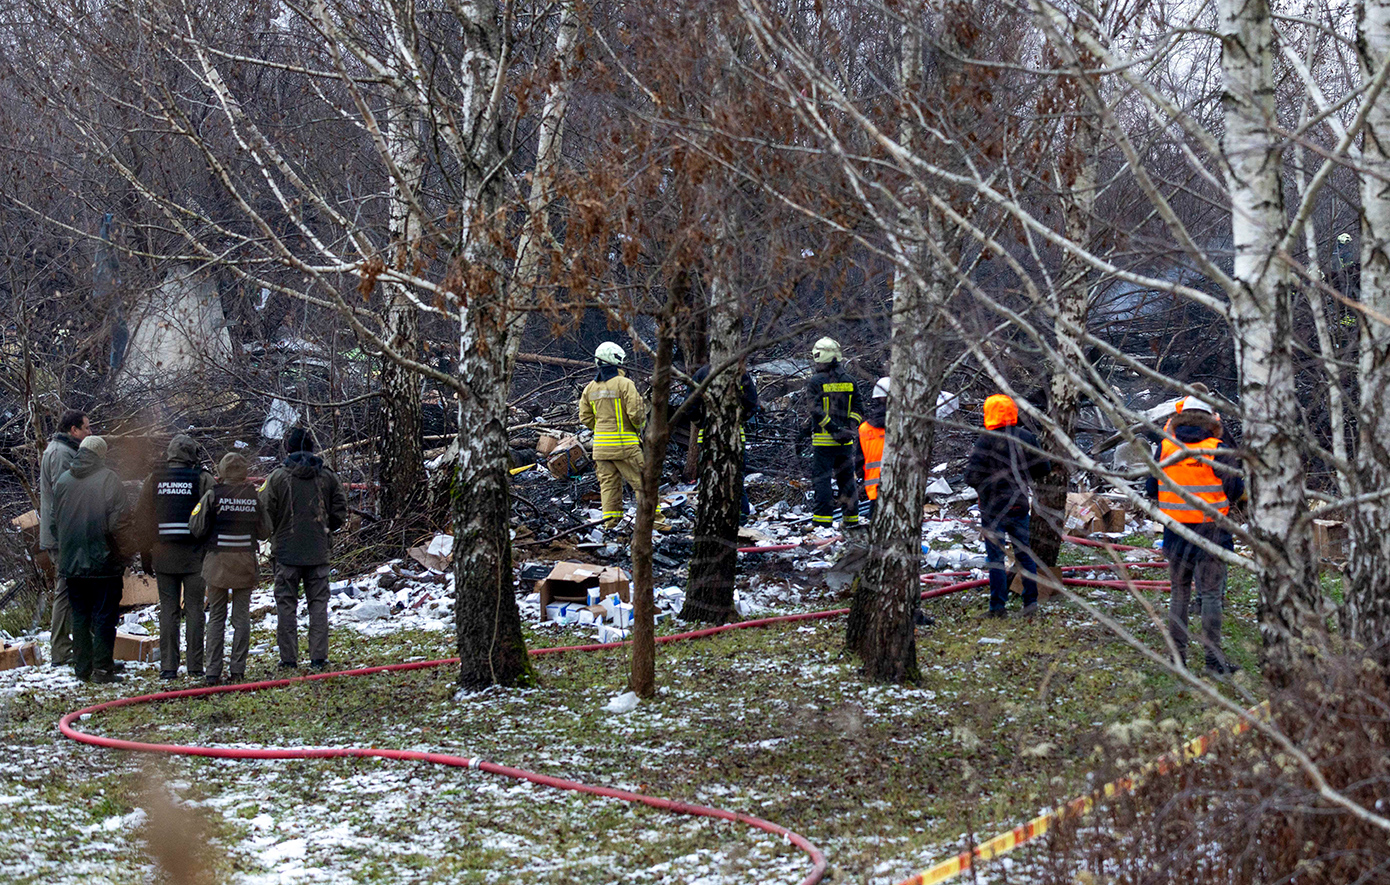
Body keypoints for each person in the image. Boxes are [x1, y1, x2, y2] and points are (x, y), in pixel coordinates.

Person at [1144, 396, 1244, 674]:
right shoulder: (1218, 449)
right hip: (1212, 534)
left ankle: (1178, 660)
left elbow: (1151, 487)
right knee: (1210, 596)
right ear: (1210, 419)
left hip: (1175, 533)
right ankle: (1213, 662)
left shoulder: (1165, 447)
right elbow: (1235, 491)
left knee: (1179, 594)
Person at [258, 427, 347, 670]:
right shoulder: (327, 476)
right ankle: (319, 657)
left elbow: (265, 515)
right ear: (312, 448)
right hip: (318, 553)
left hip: (286, 553)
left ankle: (289, 660)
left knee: (286, 606)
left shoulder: (276, 478)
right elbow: (340, 511)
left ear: (287, 449)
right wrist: (324, 529)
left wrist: (276, 532)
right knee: (318, 604)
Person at [48, 435, 130, 683]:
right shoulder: (109, 479)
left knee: (80, 615)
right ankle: (103, 669)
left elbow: (53, 524)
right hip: (104, 562)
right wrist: (123, 552)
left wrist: (69, 548)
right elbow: (120, 523)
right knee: (105, 615)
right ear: (101, 455)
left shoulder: (63, 481)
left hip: (71, 563)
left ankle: (82, 668)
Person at [134, 435, 214, 680]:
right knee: (194, 610)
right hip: (194, 557)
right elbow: (214, 513)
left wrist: (145, 552)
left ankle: (168, 667)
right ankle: (195, 666)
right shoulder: (202, 479)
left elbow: (142, 518)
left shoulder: (153, 480)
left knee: (168, 611)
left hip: (163, 555)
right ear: (192, 455)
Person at [964, 394, 1051, 618]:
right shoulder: (1026, 438)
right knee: (1025, 555)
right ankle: (1030, 605)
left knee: (995, 559)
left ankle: (997, 608)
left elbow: (970, 476)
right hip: (1019, 505)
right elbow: (1044, 468)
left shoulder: (985, 440)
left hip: (992, 509)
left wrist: (985, 486)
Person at [578, 342, 669, 531]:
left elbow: (585, 417)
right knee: (644, 484)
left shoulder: (590, 388)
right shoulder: (625, 384)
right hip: (625, 445)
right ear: (617, 360)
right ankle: (657, 523)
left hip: (600, 448)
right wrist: (638, 428)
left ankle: (611, 525)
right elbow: (636, 414)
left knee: (609, 488)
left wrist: (602, 429)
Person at [190, 452, 263, 686]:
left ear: (221, 471)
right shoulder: (254, 497)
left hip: (217, 564)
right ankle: (238, 670)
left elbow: (197, 527)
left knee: (216, 618)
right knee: (241, 618)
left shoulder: (213, 495)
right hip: (244, 563)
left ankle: (212, 672)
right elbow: (265, 531)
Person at [39, 409, 90, 666]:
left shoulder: (59, 449)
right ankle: (61, 650)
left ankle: (68, 647)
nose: (89, 433)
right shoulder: (61, 454)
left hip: (62, 533)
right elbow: (64, 496)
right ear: (74, 430)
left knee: (69, 589)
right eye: (86, 428)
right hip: (63, 536)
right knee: (65, 590)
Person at [798, 338, 862, 529]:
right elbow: (858, 408)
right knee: (847, 482)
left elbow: (816, 411)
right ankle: (851, 520)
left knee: (822, 481)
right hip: (846, 443)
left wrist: (833, 429)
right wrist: (850, 428)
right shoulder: (850, 381)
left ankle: (822, 521)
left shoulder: (816, 382)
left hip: (824, 442)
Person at [688, 363, 759, 518]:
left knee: (710, 479)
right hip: (734, 437)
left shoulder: (701, 374)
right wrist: (739, 419)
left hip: (708, 437)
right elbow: (752, 402)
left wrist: (703, 423)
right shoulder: (740, 373)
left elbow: (690, 407)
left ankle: (712, 517)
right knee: (736, 478)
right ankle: (740, 516)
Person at [857, 377, 890, 522]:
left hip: (874, 488)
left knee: (875, 527)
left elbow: (858, 459)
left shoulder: (864, 429)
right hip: (900, 487)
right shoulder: (903, 426)